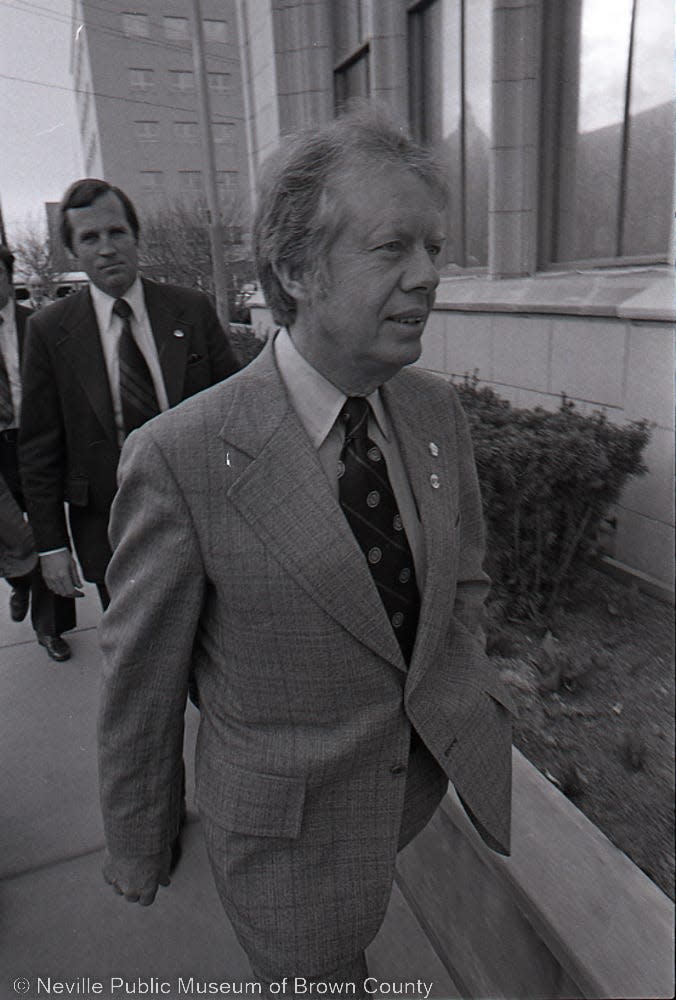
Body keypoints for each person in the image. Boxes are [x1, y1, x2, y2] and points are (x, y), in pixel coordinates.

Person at [98, 109, 515, 992]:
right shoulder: (181, 458)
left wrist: (462, 685)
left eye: (436, 248)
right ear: (296, 269)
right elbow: (142, 685)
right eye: (393, 247)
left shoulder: (435, 412)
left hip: (425, 785)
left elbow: (465, 579)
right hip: (288, 844)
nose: (430, 276)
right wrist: (140, 839)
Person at [18, 179, 240, 609]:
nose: (106, 248)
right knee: (140, 659)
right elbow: (39, 449)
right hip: (109, 528)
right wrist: (51, 546)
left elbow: (232, 415)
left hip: (202, 517)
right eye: (90, 237)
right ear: (72, 251)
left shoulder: (191, 310)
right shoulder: (49, 332)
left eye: (116, 232)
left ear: (135, 236)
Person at [0, 244, 75, 660]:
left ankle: (51, 629)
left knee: (47, 530)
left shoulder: (38, 326)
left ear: (8, 278)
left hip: (34, 441)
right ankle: (21, 580)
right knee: (12, 536)